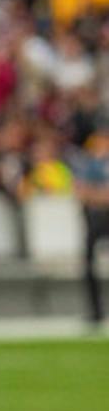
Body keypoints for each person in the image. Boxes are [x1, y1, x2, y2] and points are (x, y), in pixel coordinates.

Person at [73, 130, 109, 326]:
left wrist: (95, 195)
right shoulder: (90, 165)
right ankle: (95, 311)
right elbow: (80, 191)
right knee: (88, 264)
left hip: (99, 215)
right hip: (95, 219)